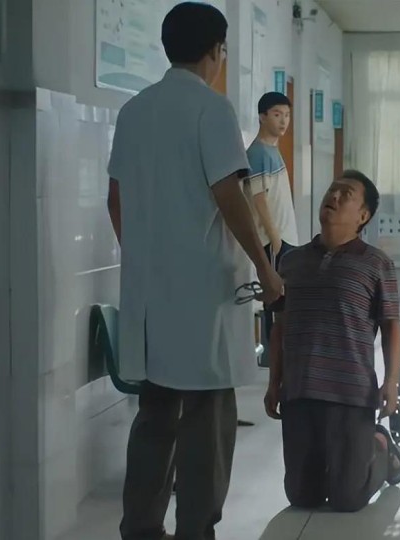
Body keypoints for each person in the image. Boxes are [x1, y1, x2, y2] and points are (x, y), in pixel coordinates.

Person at [106, 3, 283, 539]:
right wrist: (266, 268)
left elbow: (116, 199)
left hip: (149, 294)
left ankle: (140, 528)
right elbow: (229, 194)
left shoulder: (133, 110)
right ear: (215, 50)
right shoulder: (212, 109)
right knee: (207, 420)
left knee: (155, 414)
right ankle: (195, 530)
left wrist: (148, 257)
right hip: (203, 293)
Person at [263, 170, 400, 513]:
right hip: (300, 389)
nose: (335, 196)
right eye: (333, 190)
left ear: (363, 216)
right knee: (302, 496)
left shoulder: (376, 263)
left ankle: (381, 445)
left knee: (347, 498)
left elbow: (391, 326)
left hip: (350, 392)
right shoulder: (292, 261)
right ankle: (342, 461)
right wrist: (274, 382)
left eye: (346, 194)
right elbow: (281, 326)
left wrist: (391, 382)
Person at [244, 92, 298, 367]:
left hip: (285, 238)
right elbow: (259, 199)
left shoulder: (272, 150)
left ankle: (281, 360)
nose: (283, 121)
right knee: (277, 303)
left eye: (286, 115)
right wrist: (275, 239)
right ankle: (273, 360)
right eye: (277, 115)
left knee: (284, 303)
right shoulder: (257, 153)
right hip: (274, 241)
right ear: (262, 117)